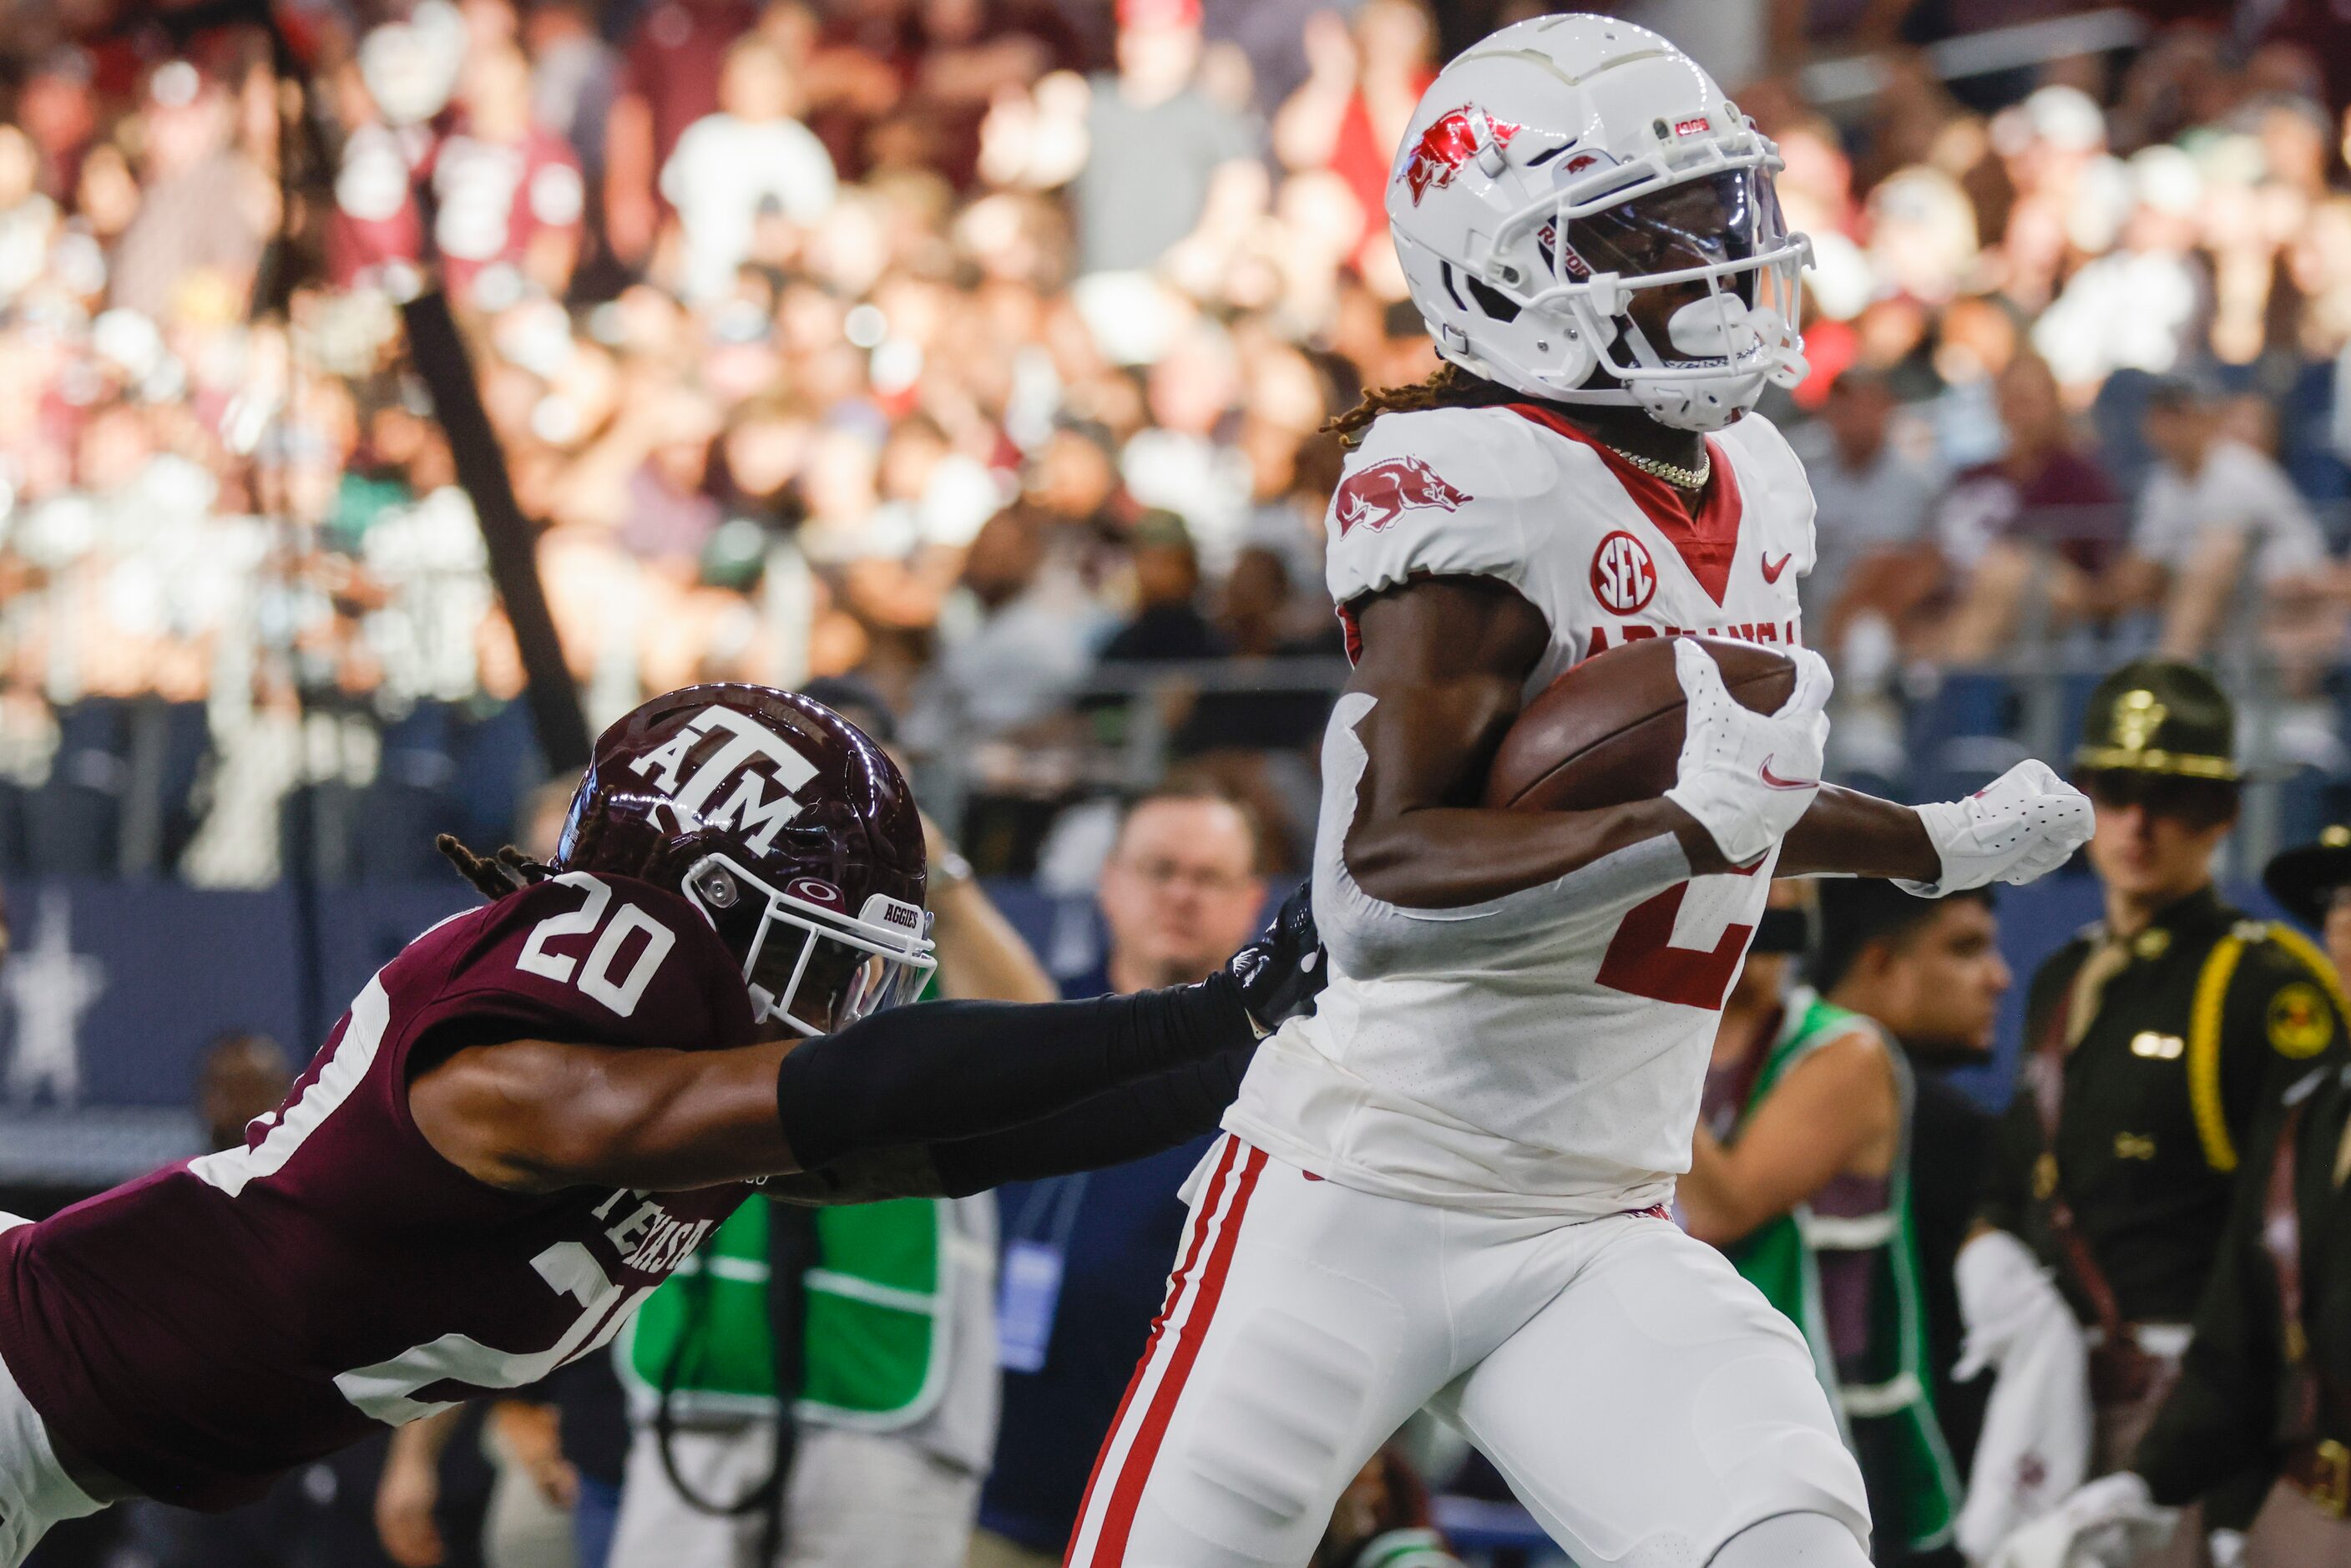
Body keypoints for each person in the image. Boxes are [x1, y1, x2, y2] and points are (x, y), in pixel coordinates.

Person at [1063, 20, 2094, 1568]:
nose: (1710, 260)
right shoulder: (1475, 474)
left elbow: (1740, 792)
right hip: (1361, 1179)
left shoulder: (1756, 483)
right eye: (1649, 230)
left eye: (1714, 215)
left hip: (1598, 1204)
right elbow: (1383, 889)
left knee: (1785, 1536)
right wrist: (1674, 828)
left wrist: (1929, 845)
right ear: (1497, 266)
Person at [0, 683, 1328, 1568]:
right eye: (810, 951)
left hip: (65, 1442)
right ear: (689, 902)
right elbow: (860, 1090)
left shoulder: (666, 1069)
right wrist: (1198, 1010)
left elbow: (947, 1146)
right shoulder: (522, 1069)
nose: (835, 1002)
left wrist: (1254, 1034)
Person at [605, 684, 1053, 1568]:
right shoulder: (716, 924)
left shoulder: (922, 947)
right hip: (704, 1373)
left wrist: (939, 870)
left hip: (883, 1394)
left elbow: (1033, 1041)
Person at [1961, 660, 2350, 1566]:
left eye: (2171, 798)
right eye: (2116, 791)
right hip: (2053, 1385)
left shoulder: (2261, 985)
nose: (2138, 823)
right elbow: (2019, 1163)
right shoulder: (2063, 973)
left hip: (2188, 1391)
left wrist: (2226, 1468)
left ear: (2219, 815)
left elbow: (2283, 1238)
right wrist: (1987, 1242)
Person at [970, 787, 1269, 1568]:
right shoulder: (1027, 1025)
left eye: (1208, 878)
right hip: (976, 1497)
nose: (1179, 893)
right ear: (1108, 881)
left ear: (1251, 904)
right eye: (1159, 868)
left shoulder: (1285, 1086)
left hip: (1169, 1521)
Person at [1681, 886, 1961, 1560]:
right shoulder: (1677, 1049)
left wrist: (1622, 1051)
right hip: (1693, 1418)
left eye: (1784, 883)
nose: (1762, 898)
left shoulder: (1845, 1052)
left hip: (1829, 1436)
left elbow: (1723, 1208)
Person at [1812, 879, 2012, 1485]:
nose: (1998, 978)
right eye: (1965, 950)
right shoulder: (1941, 1122)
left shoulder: (1750, 1082)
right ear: (1881, 963)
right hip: (1911, 1485)